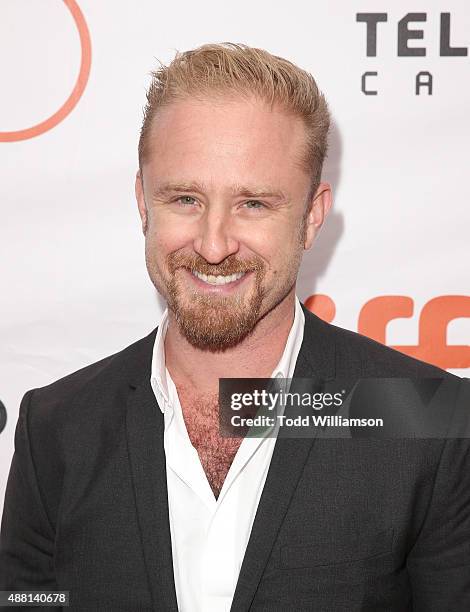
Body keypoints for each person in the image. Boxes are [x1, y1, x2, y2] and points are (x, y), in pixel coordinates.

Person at [1, 42, 469, 612]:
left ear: (311, 218)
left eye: (253, 203)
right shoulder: (56, 426)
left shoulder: (424, 419)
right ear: (144, 203)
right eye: (185, 198)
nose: (214, 244)